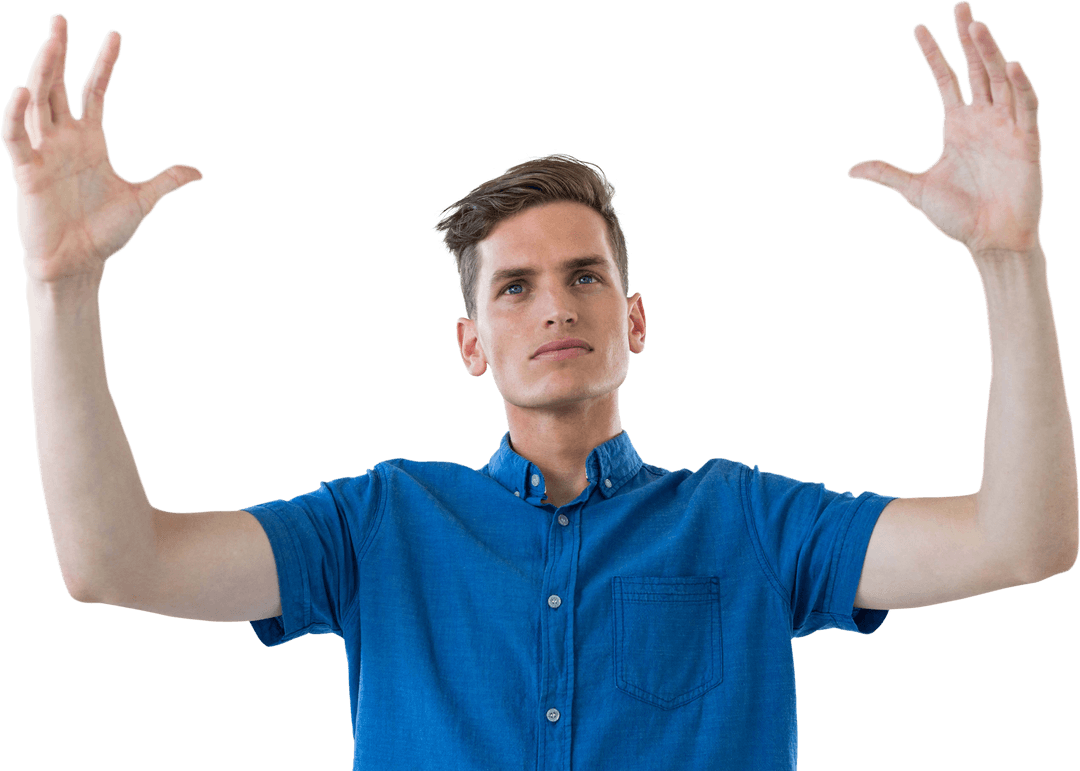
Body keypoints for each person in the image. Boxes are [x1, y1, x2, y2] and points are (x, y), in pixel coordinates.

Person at [5, 3, 1075, 769]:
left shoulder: (749, 523)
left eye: (584, 277)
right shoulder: (379, 526)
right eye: (514, 288)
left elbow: (1023, 543)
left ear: (636, 319)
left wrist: (1009, 258)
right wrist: (61, 288)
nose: (555, 306)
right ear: (470, 341)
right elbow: (113, 563)